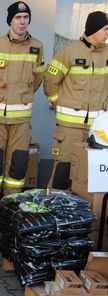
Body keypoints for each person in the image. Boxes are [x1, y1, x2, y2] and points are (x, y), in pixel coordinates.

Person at [0, 1, 44, 229]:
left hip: (21, 119)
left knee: (18, 165)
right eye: (18, 18)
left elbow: (38, 78)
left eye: (25, 17)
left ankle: (9, 209)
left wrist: (22, 96)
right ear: (10, 21)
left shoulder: (37, 47)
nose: (22, 22)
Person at [44, 11, 108, 190]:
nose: (107, 33)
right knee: (62, 173)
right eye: (105, 29)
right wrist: (58, 104)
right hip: (69, 128)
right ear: (94, 29)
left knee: (92, 176)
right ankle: (52, 206)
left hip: (98, 129)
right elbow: (50, 81)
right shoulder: (69, 51)